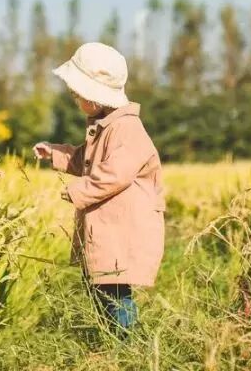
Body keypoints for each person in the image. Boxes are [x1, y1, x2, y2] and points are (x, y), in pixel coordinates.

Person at [33, 42, 166, 337]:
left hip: (124, 230)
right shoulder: (105, 126)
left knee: (115, 291)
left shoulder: (127, 129)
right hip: (110, 228)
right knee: (100, 286)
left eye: (76, 93)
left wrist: (78, 190)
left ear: (94, 96)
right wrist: (55, 153)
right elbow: (85, 160)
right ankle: (111, 337)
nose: (74, 98)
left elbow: (113, 175)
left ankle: (125, 342)